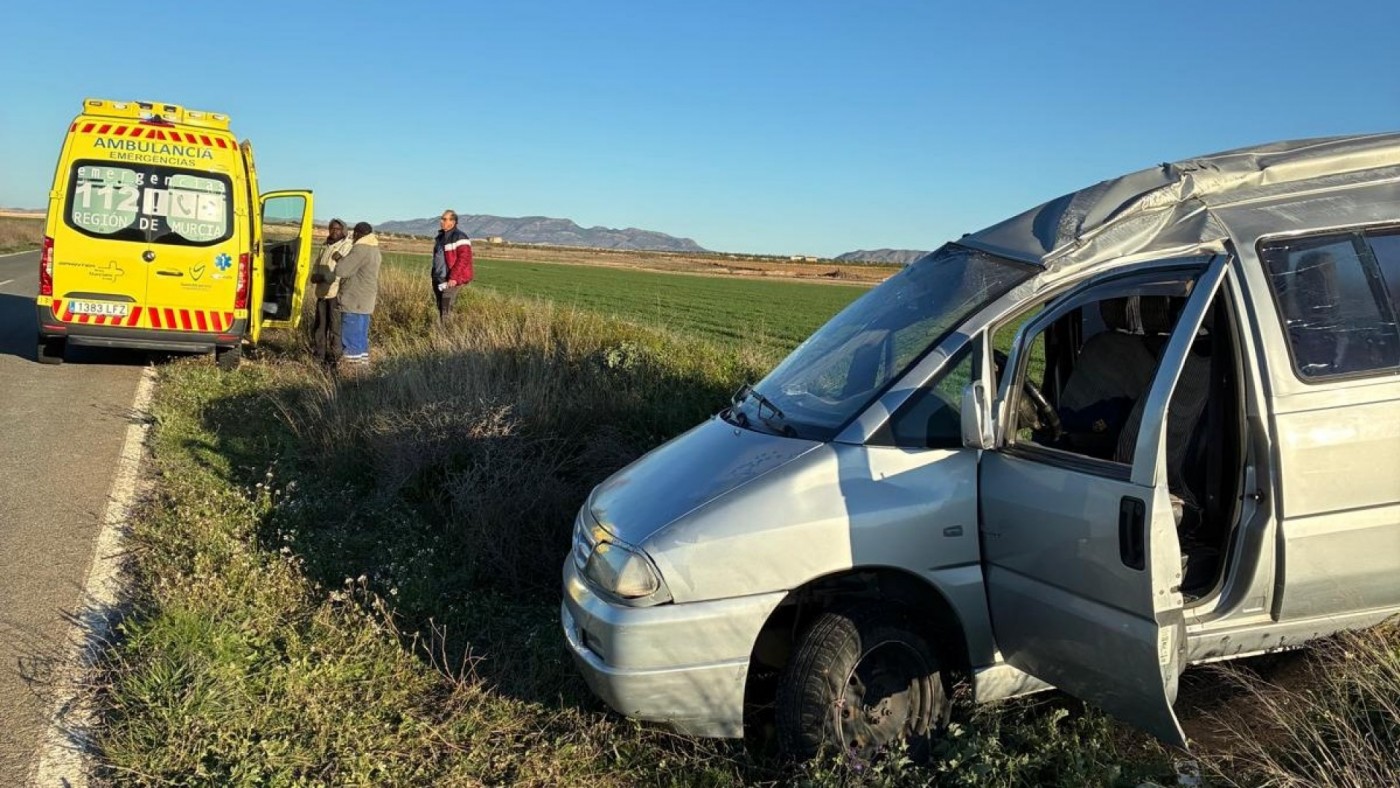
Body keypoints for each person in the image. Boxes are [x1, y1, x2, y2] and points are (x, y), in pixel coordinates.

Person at [331, 222, 382, 365]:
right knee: (360, 340)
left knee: (351, 340)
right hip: (365, 301)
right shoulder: (374, 248)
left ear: (357, 234)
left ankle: (351, 372)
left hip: (354, 300)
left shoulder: (360, 248)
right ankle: (362, 371)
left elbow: (341, 270)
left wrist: (339, 258)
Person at [308, 219, 355, 365]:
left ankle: (335, 360)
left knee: (335, 328)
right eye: (332, 228)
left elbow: (342, 270)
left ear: (343, 231)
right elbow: (317, 264)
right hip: (322, 292)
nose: (334, 231)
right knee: (320, 326)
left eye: (337, 229)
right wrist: (314, 276)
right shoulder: (325, 245)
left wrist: (324, 277)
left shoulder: (347, 246)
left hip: (336, 293)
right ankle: (319, 357)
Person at [431, 209, 474, 321]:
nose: (441, 221)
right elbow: (437, 258)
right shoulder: (440, 237)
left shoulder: (460, 237)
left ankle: (446, 331)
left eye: (445, 219)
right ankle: (442, 329)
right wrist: (434, 275)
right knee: (440, 307)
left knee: (446, 309)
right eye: (442, 219)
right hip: (439, 278)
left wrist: (453, 278)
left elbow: (464, 259)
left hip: (451, 280)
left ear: (453, 222)